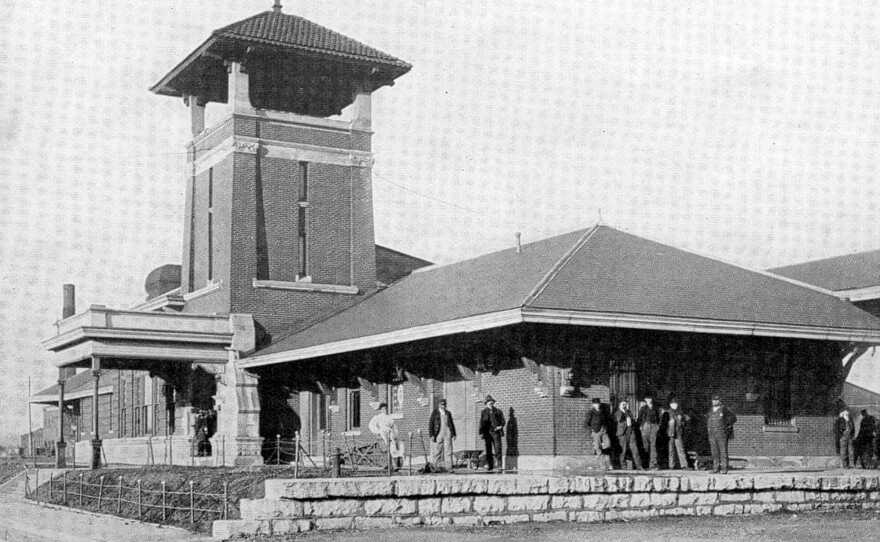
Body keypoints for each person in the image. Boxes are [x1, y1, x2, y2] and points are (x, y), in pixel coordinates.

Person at [706, 395, 736, 474]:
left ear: (719, 401)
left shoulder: (724, 409)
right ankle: (715, 468)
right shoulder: (710, 410)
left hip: (721, 433)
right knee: (714, 451)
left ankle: (724, 468)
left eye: (716, 400)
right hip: (712, 433)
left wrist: (726, 425)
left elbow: (733, 418)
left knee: (723, 451)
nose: (714, 401)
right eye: (713, 400)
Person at [368, 403, 403, 468]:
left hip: (390, 434)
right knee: (386, 449)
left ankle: (394, 465)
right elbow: (371, 425)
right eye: (383, 409)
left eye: (386, 409)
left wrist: (395, 435)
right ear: (381, 410)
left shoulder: (389, 417)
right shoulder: (378, 417)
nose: (385, 410)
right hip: (382, 434)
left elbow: (394, 427)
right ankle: (390, 464)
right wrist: (377, 432)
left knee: (393, 449)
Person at [428, 398, 457, 472]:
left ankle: (449, 467)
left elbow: (451, 424)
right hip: (438, 433)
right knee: (437, 451)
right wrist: (431, 434)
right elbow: (431, 424)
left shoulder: (448, 413)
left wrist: (453, 434)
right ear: (439, 405)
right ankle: (435, 467)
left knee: (448, 451)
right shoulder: (435, 413)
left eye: (444, 404)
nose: (443, 406)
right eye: (441, 404)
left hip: (447, 433)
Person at [479, 395, 505, 472]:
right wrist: (481, 432)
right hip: (487, 433)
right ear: (486, 403)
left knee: (498, 449)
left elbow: (503, 421)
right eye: (488, 402)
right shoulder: (484, 412)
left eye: (491, 402)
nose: (490, 403)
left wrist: (500, 426)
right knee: (488, 449)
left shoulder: (498, 411)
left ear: (493, 403)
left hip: (496, 432)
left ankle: (499, 465)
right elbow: (481, 422)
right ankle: (490, 465)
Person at [614, 400, 643, 470]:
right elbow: (619, 419)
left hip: (630, 432)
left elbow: (632, 420)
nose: (624, 406)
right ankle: (623, 466)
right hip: (622, 433)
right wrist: (623, 412)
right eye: (622, 404)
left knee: (635, 449)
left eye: (625, 404)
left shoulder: (629, 412)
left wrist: (627, 412)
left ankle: (639, 466)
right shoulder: (617, 412)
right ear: (619, 405)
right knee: (623, 451)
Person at [665, 397, 690, 470]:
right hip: (670, 433)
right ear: (670, 404)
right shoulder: (667, 413)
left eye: (675, 403)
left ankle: (684, 465)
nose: (674, 405)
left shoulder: (680, 413)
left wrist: (682, 424)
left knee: (680, 449)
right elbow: (664, 423)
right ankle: (671, 465)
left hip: (678, 432)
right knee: (671, 450)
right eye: (673, 404)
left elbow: (686, 420)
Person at [637, 393, 661, 469]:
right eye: (647, 399)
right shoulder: (643, 408)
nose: (649, 400)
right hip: (645, 426)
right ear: (645, 400)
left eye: (650, 399)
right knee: (645, 446)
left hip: (654, 426)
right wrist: (641, 426)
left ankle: (653, 464)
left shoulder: (655, 408)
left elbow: (659, 418)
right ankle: (644, 464)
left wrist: (657, 426)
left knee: (653, 445)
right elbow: (639, 419)